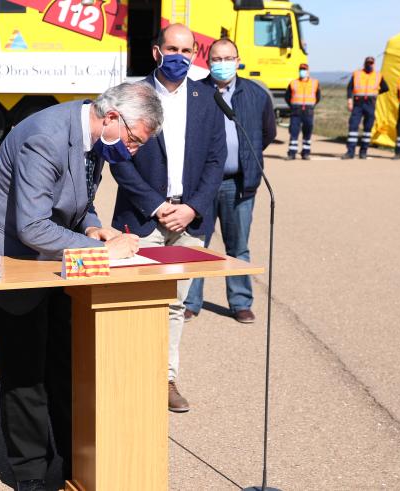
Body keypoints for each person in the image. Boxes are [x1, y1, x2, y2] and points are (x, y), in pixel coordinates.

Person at [0, 82, 158, 490]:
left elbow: (77, 200)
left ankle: (75, 462)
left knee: (68, 364)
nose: (134, 151)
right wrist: (105, 252)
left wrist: (94, 228)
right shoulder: (46, 138)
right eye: (135, 140)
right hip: (9, 258)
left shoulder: (97, 139)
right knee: (24, 373)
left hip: (57, 260)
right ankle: (31, 473)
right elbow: (32, 225)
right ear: (111, 118)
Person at [109, 24, 227, 413]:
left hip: (188, 220)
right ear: (156, 51)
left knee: (176, 304)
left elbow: (215, 160)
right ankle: (126, 377)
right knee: (131, 302)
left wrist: (192, 206)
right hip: (143, 219)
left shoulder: (207, 97)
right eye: (172, 48)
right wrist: (157, 205)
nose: (180, 56)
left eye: (187, 50)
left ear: (196, 54)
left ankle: (166, 379)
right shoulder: (132, 94)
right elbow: (118, 158)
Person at [185, 38, 276, 324]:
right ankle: (190, 301)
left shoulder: (256, 94)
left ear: (238, 60)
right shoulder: (195, 93)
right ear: (207, 60)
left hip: (239, 184)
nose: (222, 64)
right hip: (201, 184)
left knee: (238, 246)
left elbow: (267, 133)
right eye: (216, 58)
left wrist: (247, 159)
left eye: (228, 58)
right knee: (197, 243)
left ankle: (240, 302)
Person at [343, 56, 389, 159]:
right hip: (358, 103)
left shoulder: (378, 75)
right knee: (353, 127)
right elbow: (350, 87)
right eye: (368, 63)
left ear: (374, 64)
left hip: (370, 103)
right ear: (364, 64)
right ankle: (350, 152)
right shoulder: (357, 74)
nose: (369, 65)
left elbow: (386, 88)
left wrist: (376, 92)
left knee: (367, 129)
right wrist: (349, 100)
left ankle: (363, 152)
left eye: (371, 63)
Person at [285, 63, 320, 160]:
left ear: (308, 71)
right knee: (294, 132)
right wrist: (293, 105)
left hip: (308, 111)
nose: (303, 71)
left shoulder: (315, 82)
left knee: (307, 132)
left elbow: (318, 97)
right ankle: (292, 153)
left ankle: (306, 153)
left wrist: (311, 105)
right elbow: (287, 97)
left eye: (304, 69)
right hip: (296, 111)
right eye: (301, 69)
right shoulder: (293, 83)